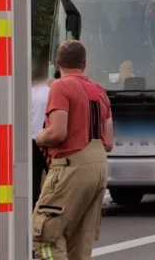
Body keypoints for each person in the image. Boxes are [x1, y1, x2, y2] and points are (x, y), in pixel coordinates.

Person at [32, 40, 114, 260]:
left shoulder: (61, 86)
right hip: (98, 166)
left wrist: (39, 138)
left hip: (71, 166)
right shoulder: (99, 91)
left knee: (46, 235)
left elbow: (57, 133)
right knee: (79, 240)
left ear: (58, 63)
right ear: (84, 64)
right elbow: (109, 142)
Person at [31, 64, 51, 210]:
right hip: (48, 139)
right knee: (53, 177)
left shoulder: (27, 94)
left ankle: (34, 209)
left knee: (34, 179)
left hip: (31, 140)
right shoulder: (50, 93)